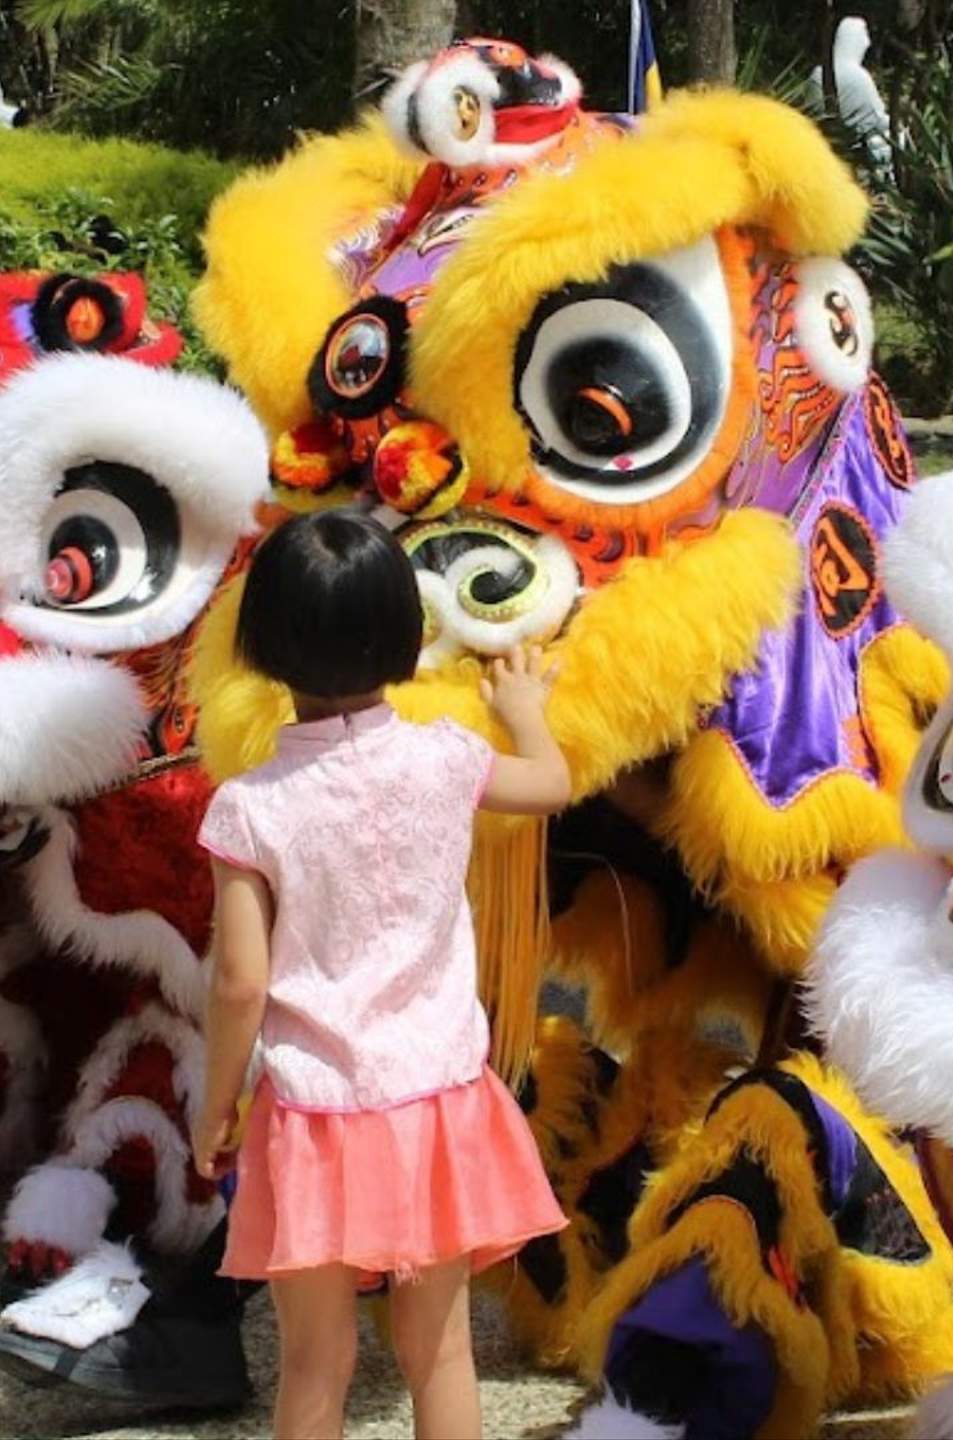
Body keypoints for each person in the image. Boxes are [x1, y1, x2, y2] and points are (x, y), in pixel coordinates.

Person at [188, 509, 570, 1440]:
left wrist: (216, 1103)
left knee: (315, 1366)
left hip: (317, 1117)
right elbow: (552, 786)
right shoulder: (449, 760)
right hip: (439, 1102)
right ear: (405, 633)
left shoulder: (249, 810)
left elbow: (240, 981)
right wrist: (523, 712)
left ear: (263, 647)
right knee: (440, 1353)